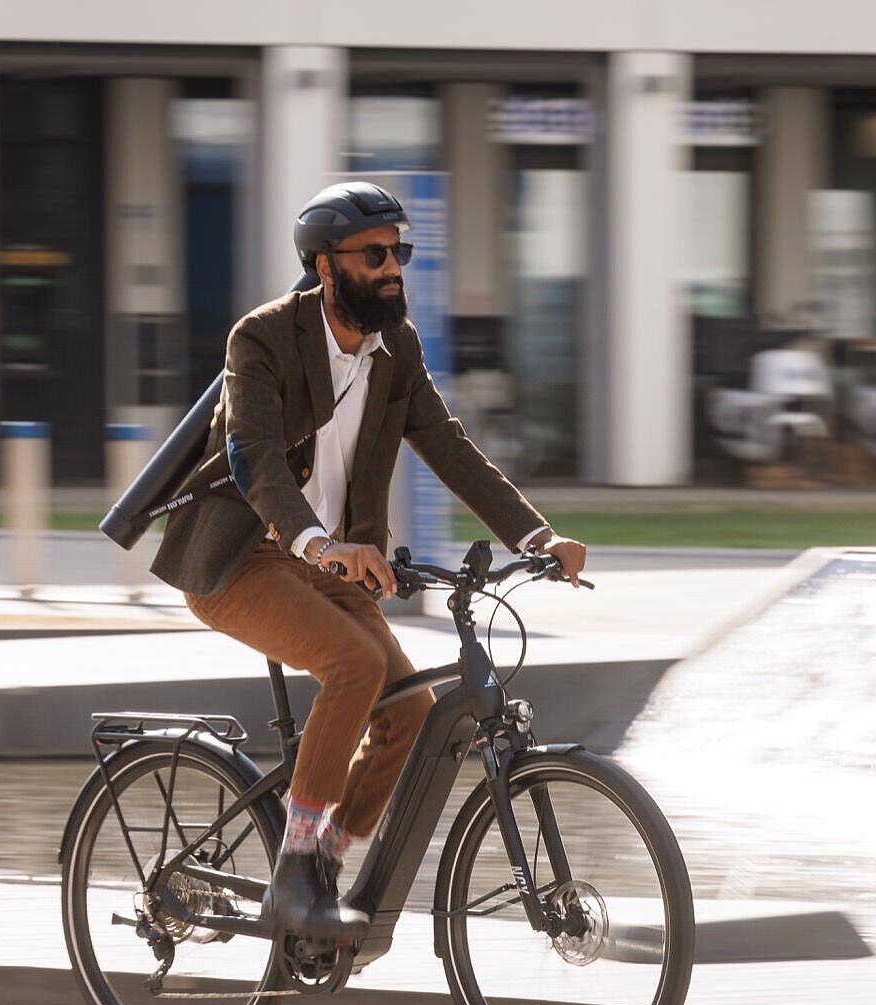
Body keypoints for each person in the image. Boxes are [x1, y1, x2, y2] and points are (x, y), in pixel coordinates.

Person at [148, 181, 586, 944]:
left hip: (335, 562)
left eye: (400, 252)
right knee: (353, 664)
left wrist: (536, 537)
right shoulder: (262, 339)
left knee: (407, 711)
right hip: (240, 556)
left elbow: (449, 447)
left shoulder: (397, 347)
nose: (393, 268)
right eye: (374, 254)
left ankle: (322, 860)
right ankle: (295, 870)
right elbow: (252, 460)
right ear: (325, 266)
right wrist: (318, 540)